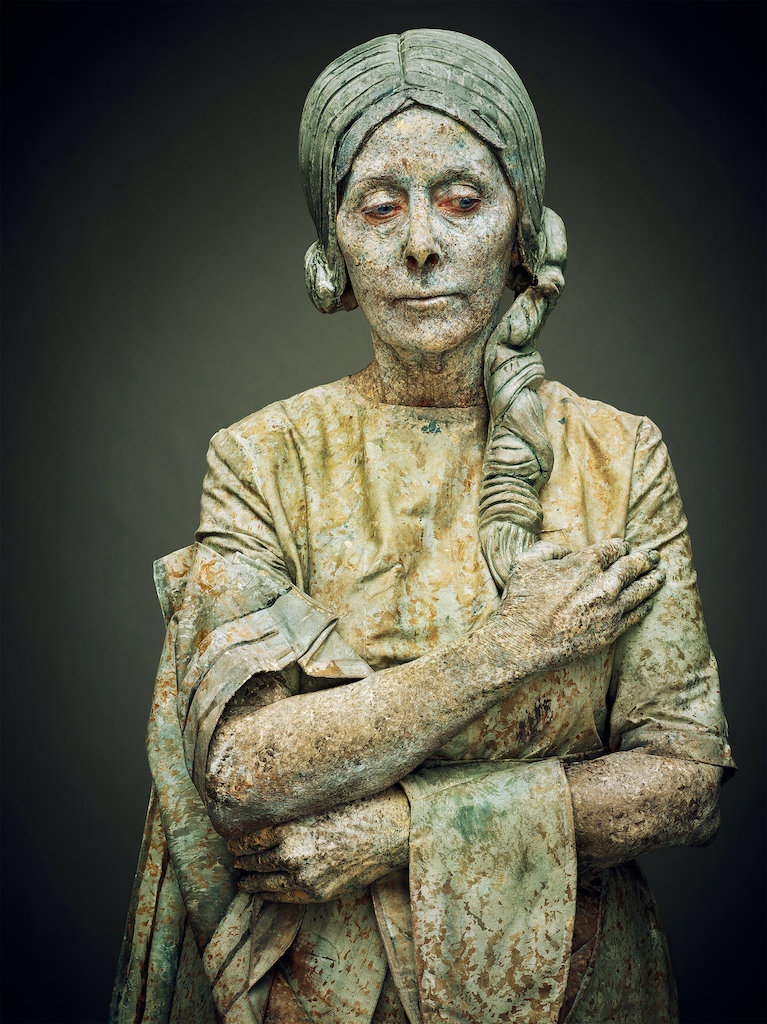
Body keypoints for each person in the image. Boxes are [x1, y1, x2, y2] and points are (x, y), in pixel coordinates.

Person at [111, 29, 734, 1024]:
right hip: (321, 993)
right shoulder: (264, 457)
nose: (419, 244)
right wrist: (506, 650)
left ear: (522, 226)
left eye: (460, 199)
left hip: (573, 980)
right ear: (332, 247)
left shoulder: (616, 455)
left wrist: (396, 835)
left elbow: (683, 785)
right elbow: (241, 770)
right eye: (378, 205)